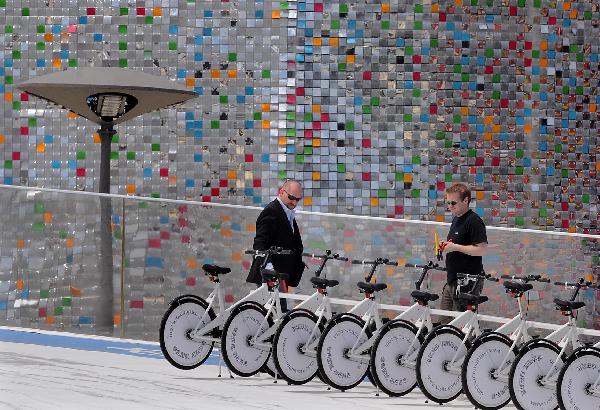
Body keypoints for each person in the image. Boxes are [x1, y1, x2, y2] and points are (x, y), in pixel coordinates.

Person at [246, 179, 305, 311]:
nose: (294, 202)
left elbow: (287, 240)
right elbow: (260, 243)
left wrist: (297, 258)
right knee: (277, 313)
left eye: (297, 199)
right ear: (281, 192)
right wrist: (270, 270)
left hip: (280, 273)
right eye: (291, 198)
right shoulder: (272, 211)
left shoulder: (286, 211)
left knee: (277, 313)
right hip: (271, 274)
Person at [438, 183, 488, 324]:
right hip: (452, 280)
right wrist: (447, 246)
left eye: (453, 202)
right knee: (444, 322)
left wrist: (455, 247)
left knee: (463, 325)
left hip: (467, 282)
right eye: (448, 203)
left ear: (466, 200)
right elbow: (457, 244)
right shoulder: (456, 219)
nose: (450, 206)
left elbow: (482, 249)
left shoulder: (474, 221)